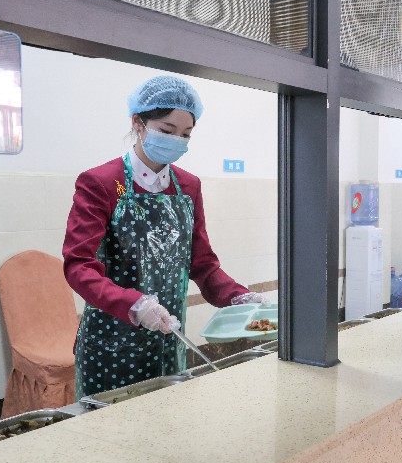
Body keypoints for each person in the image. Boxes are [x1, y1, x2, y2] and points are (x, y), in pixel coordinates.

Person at [63, 75, 267, 399]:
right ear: (138, 122)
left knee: (168, 424)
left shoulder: (188, 187)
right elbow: (79, 265)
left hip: (170, 342)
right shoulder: (102, 183)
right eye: (167, 130)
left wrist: (239, 297)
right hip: (112, 345)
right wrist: (134, 304)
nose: (176, 140)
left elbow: (203, 264)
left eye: (185, 134)